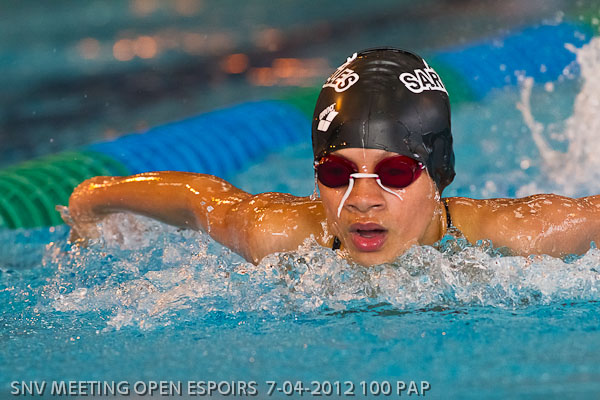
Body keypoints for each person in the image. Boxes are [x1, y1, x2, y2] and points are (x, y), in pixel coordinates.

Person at [64, 48, 600, 266]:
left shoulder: (523, 238)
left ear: (438, 174)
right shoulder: (276, 234)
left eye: (395, 172)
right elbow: (202, 200)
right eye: (338, 172)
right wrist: (93, 198)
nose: (362, 199)